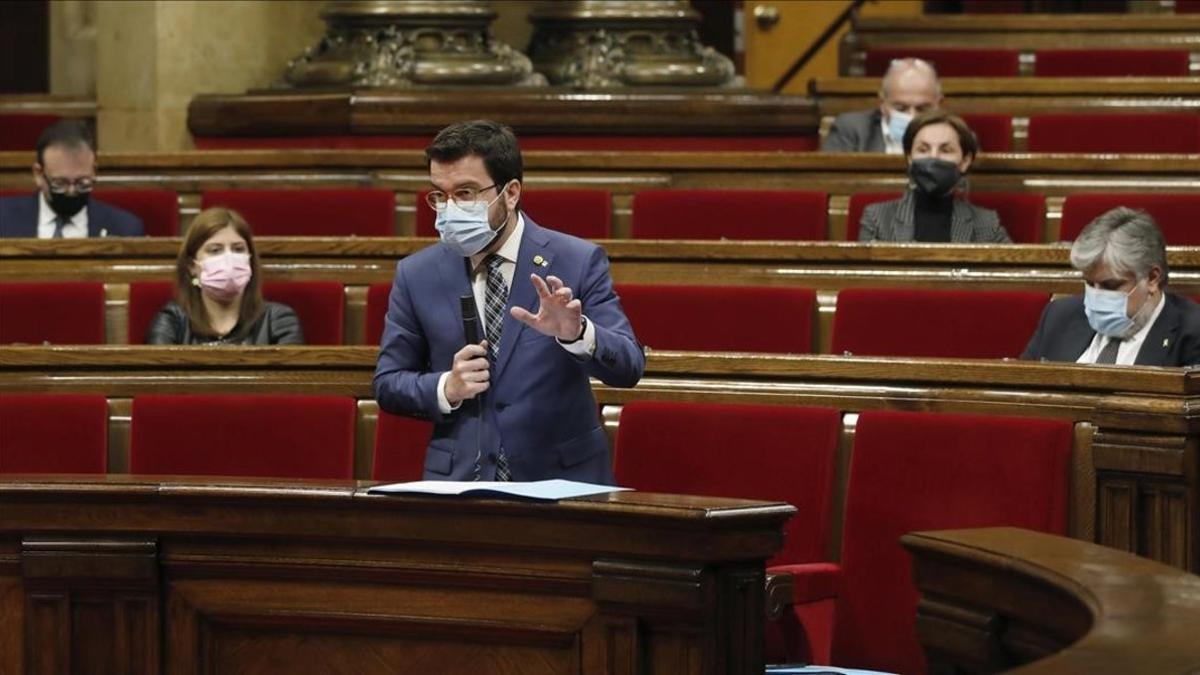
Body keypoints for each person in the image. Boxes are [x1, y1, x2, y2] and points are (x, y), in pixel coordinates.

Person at [373, 119, 644, 484]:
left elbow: (628, 366)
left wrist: (577, 333)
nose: (449, 209)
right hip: (459, 486)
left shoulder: (577, 260)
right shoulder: (416, 274)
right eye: (439, 195)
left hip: (562, 485)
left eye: (466, 194)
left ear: (511, 193)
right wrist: (446, 387)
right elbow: (389, 383)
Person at [1023, 208, 1200, 367]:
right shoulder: (1059, 316)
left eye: (1111, 286)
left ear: (1152, 278)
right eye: (1090, 284)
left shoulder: (1192, 333)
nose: (1096, 297)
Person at [145, 207, 303, 345]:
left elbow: (288, 378)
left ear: (250, 259)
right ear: (192, 266)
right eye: (215, 250)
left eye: (238, 249)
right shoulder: (173, 320)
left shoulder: (278, 320)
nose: (229, 259)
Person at [858, 110, 1011, 243]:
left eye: (946, 150)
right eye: (923, 149)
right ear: (910, 158)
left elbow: (1011, 273)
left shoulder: (986, 223)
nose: (933, 157)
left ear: (965, 161)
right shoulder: (878, 217)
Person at [0, 120, 144, 238]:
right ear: (38, 174)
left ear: (94, 172)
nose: (71, 191)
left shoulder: (125, 229)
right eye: (60, 183)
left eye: (82, 182)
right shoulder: (3, 220)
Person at [822, 57, 943, 154]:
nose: (912, 117)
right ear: (882, 103)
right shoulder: (852, 130)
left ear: (938, 104)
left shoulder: (953, 135)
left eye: (923, 109)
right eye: (901, 108)